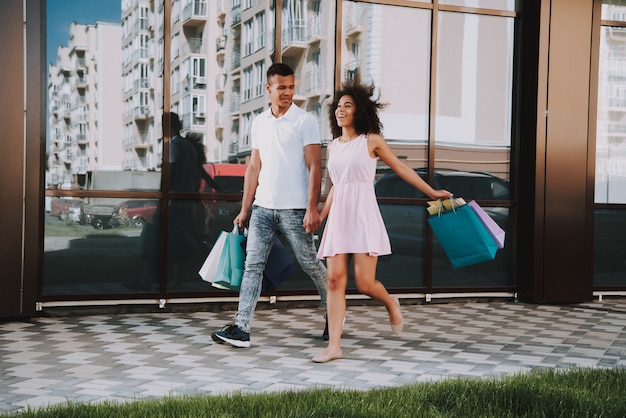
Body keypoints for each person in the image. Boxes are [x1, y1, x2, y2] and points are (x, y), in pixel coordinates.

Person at [311, 82, 453, 363]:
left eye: (347, 105)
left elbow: (401, 168)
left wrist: (432, 192)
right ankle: (335, 346)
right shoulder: (334, 146)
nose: (341, 110)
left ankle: (390, 302)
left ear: (359, 111)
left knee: (364, 283)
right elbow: (336, 187)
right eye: (338, 106)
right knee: (334, 279)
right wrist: (320, 214)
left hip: (362, 215)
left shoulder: (371, 140)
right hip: (339, 217)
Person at [211, 63, 328, 348]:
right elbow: (253, 167)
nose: (288, 93)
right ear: (268, 89)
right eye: (281, 88)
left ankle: (334, 312)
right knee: (252, 266)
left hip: (295, 209)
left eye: (291, 87)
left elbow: (315, 167)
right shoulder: (260, 122)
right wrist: (245, 208)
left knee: (310, 264)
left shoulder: (305, 121)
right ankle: (241, 328)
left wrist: (312, 208)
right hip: (262, 209)